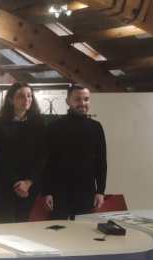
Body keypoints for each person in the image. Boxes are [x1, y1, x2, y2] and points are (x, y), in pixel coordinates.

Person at [42, 84, 107, 219]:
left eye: (86, 99)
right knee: (57, 235)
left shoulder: (96, 127)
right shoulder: (54, 127)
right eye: (77, 99)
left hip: (86, 192)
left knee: (82, 235)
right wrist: (47, 192)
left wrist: (100, 191)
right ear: (68, 101)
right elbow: (47, 162)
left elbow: (101, 162)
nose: (82, 103)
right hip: (59, 192)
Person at [0, 82, 47, 223]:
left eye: (29, 96)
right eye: (21, 96)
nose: (26, 100)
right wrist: (16, 183)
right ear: (11, 100)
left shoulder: (39, 123)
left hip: (29, 187)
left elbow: (42, 156)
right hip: (4, 185)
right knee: (5, 227)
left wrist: (28, 182)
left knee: (23, 229)